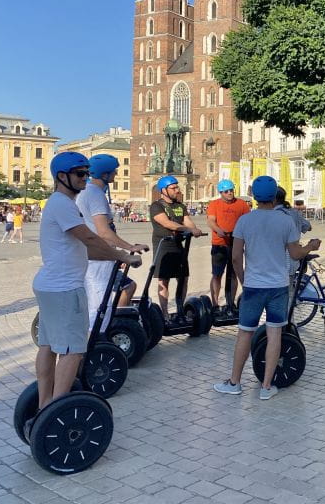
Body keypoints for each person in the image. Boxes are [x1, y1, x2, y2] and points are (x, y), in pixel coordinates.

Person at [30, 152, 141, 432]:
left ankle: (45, 405)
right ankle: (56, 409)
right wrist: (125, 256)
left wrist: (119, 255)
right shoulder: (63, 204)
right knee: (73, 351)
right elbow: (90, 237)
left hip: (49, 284)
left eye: (85, 173)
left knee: (48, 345)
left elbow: (86, 248)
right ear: (62, 177)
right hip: (65, 288)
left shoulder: (60, 204)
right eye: (79, 174)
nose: (84, 178)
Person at [213, 176, 320, 400]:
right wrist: (310, 246)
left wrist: (244, 281)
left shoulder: (245, 221)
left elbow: (235, 258)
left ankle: (234, 382)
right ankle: (267, 386)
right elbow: (295, 254)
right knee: (274, 334)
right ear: (274, 195)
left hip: (253, 285)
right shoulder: (285, 221)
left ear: (254, 196)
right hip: (278, 286)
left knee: (244, 333)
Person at [76, 154, 149, 330]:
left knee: (101, 297)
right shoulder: (95, 194)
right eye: (113, 171)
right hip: (99, 258)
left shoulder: (85, 192)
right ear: (105, 174)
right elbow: (103, 231)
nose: (116, 174)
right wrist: (128, 249)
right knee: (103, 300)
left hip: (92, 255)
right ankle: (114, 328)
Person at [149, 175, 204, 321]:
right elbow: (167, 223)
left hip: (179, 246)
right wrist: (187, 229)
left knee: (183, 278)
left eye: (177, 187)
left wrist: (195, 229)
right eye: (173, 188)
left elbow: (188, 222)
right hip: (164, 246)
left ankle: (180, 310)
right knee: (164, 281)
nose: (177, 190)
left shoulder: (180, 206)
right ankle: (165, 314)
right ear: (164, 190)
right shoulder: (156, 206)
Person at [206, 179, 251, 316]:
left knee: (233, 274)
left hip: (236, 242)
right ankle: (215, 303)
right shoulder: (215, 204)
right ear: (221, 192)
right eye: (226, 191)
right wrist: (218, 230)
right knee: (217, 274)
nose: (229, 193)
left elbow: (248, 220)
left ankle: (230, 302)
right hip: (219, 243)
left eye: (231, 190)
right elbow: (211, 221)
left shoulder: (241, 204)